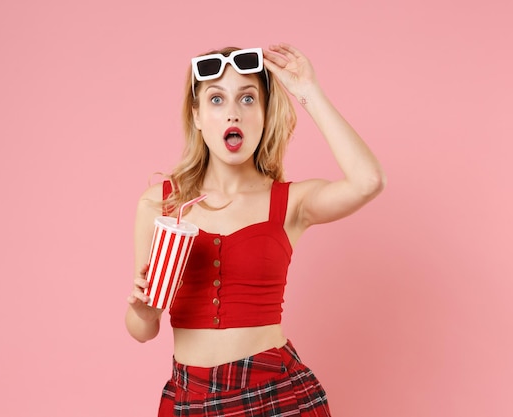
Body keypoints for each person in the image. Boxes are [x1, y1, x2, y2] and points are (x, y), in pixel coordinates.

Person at [125, 43, 386, 416]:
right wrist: (146, 313)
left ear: (264, 114)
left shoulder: (291, 202)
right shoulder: (160, 204)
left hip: (274, 396)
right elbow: (140, 329)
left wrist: (307, 91)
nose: (233, 112)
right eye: (216, 100)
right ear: (196, 115)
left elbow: (369, 180)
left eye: (248, 99)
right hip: (188, 398)